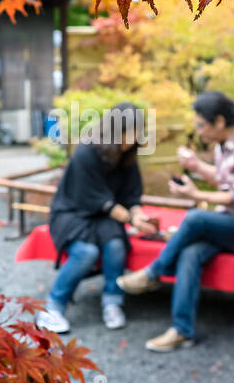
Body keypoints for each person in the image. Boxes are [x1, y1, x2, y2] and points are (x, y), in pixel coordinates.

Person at [118, 90, 234, 352]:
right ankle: (183, 331)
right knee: (191, 253)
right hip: (232, 223)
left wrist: (194, 194)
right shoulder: (224, 143)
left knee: (195, 218)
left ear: (219, 122)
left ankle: (153, 273)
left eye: (201, 124)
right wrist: (196, 166)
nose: (199, 130)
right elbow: (226, 179)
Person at [37, 102, 158, 333]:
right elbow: (96, 199)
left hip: (103, 216)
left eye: (136, 132)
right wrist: (130, 219)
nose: (132, 138)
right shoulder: (87, 152)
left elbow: (132, 196)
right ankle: (53, 307)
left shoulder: (128, 156)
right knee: (86, 252)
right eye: (128, 132)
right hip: (72, 212)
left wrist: (138, 215)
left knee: (115, 246)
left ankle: (112, 301)